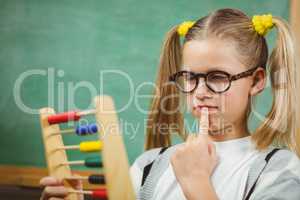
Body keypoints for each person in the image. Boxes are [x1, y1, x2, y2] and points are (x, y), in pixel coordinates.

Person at [40, 8, 300, 200]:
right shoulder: (149, 166)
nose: (199, 92)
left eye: (218, 77)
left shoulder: (279, 170)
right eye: (189, 77)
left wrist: (196, 181)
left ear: (256, 81)